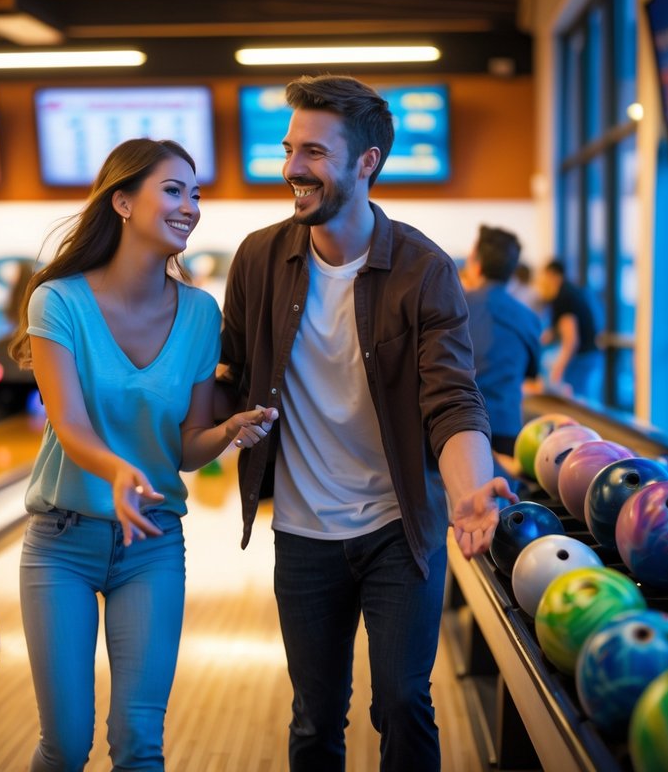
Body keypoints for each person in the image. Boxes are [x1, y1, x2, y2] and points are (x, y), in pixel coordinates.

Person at [216, 75, 512, 772]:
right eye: (290, 149)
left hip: (395, 527)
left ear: (365, 163)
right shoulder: (258, 258)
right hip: (302, 530)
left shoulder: (423, 269)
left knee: (402, 702)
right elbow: (224, 373)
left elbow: (452, 400)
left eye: (313, 153)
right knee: (315, 719)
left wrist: (470, 487)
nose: (292, 168)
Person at [7, 138, 276, 772]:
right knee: (66, 745)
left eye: (197, 194)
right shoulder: (59, 301)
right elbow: (68, 423)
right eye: (174, 190)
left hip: (153, 545)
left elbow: (185, 446)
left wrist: (230, 430)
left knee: (139, 744)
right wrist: (118, 470)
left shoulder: (201, 313)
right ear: (122, 201)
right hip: (62, 544)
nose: (191, 206)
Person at [463, 226, 542, 475]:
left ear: (476, 263)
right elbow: (532, 374)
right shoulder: (528, 317)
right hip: (506, 428)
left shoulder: (452, 307)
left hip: (459, 428)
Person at [537, 259, 601, 398]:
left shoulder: (563, 296)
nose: (541, 283)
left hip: (582, 357)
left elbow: (571, 340)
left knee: (577, 403)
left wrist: (558, 370)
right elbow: (555, 332)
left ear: (552, 275)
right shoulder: (572, 290)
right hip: (590, 354)